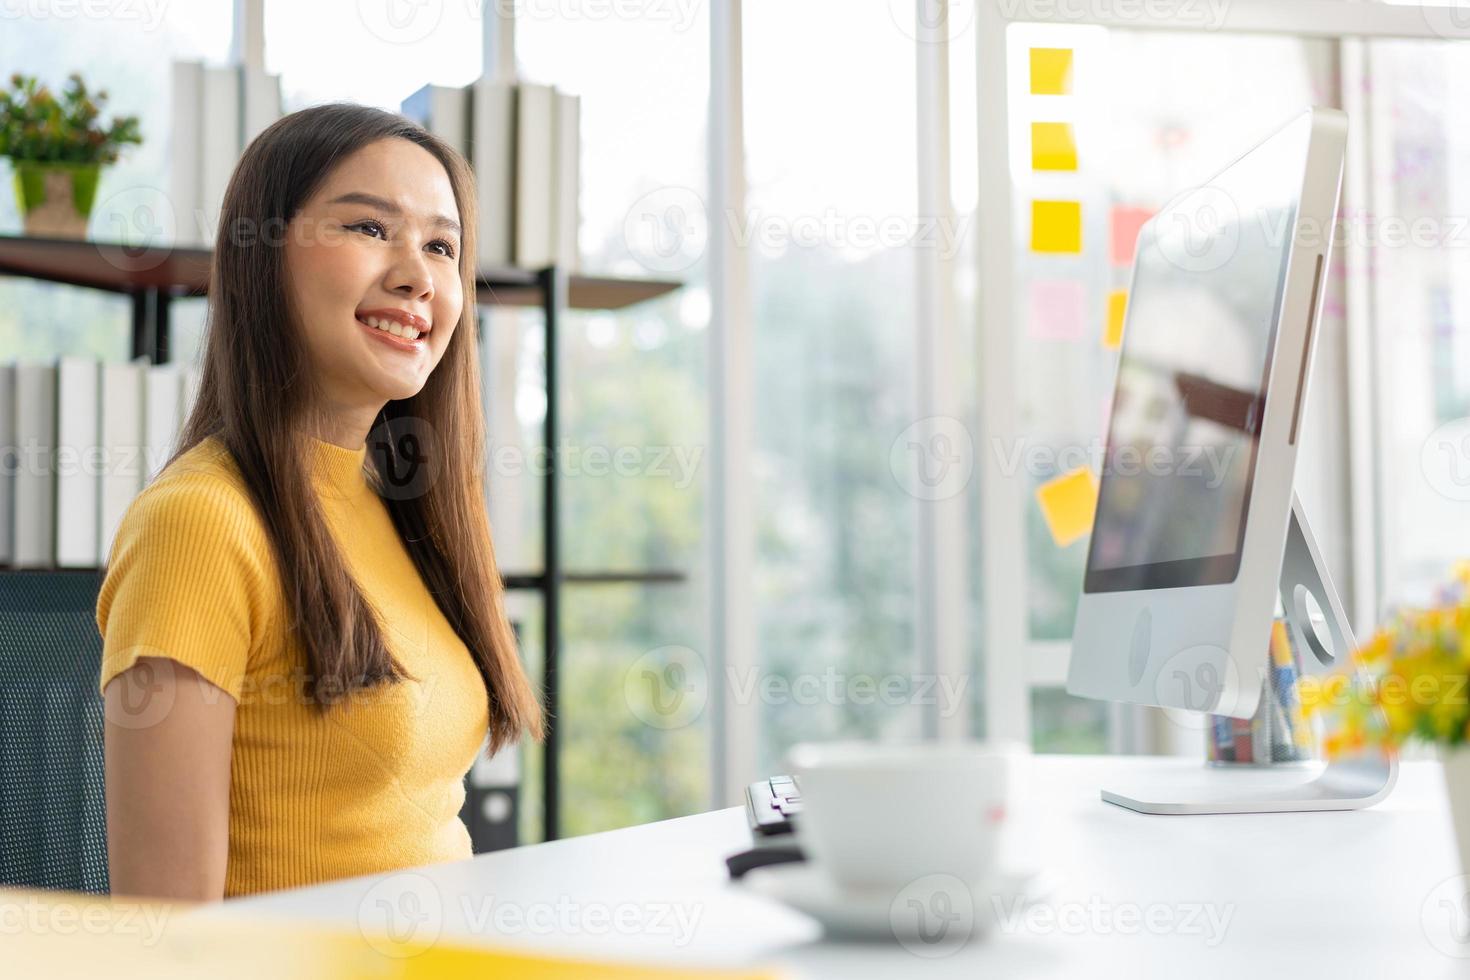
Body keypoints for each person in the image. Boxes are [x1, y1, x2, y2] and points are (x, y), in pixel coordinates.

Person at [96, 103, 543, 901]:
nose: (418, 274)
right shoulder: (198, 524)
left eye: (443, 246)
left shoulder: (407, 511)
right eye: (371, 229)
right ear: (263, 257)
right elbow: (165, 938)